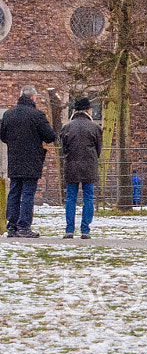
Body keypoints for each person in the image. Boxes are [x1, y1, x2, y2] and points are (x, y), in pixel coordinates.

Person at [0, 85, 57, 239]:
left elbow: (3, 136)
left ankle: (11, 226)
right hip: (32, 160)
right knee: (27, 194)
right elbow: (49, 136)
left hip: (14, 159)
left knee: (14, 192)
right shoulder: (37, 115)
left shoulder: (8, 114)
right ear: (33, 97)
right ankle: (24, 226)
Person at [59, 97, 102, 238]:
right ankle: (85, 230)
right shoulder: (95, 127)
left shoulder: (67, 127)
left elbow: (63, 149)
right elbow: (98, 150)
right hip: (89, 166)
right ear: (88, 110)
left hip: (71, 165)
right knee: (88, 198)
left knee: (71, 198)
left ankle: (69, 229)